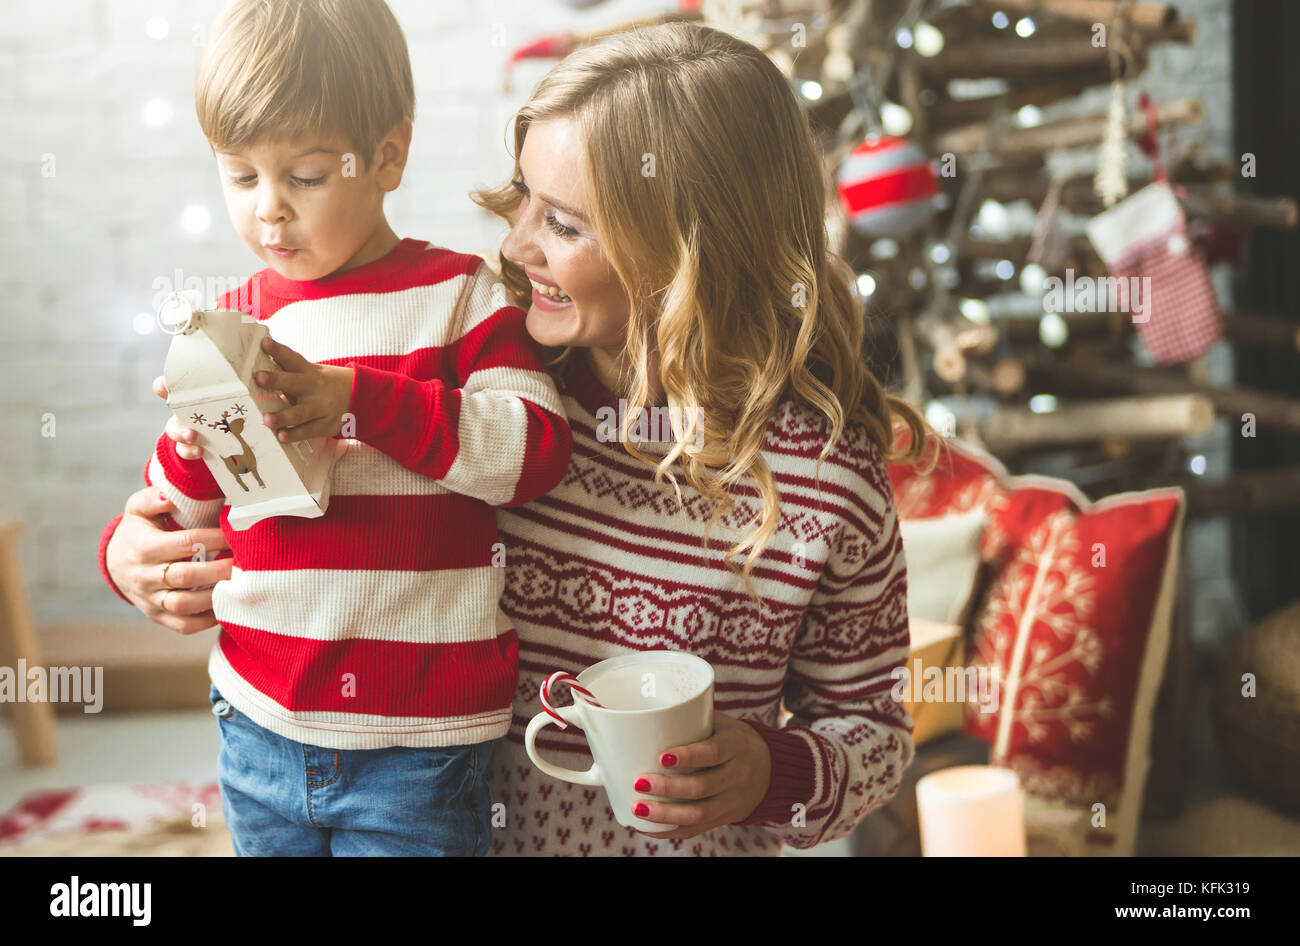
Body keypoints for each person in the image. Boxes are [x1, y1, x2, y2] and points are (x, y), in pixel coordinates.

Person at [102, 21, 938, 856]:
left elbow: (872, 733)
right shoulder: (479, 380)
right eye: (522, 200)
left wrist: (768, 772)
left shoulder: (826, 483)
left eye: (565, 225)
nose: (512, 244)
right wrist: (133, 551)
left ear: (692, 250)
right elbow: (284, 498)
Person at [112, 0, 572, 856]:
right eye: (242, 177)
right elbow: (175, 508)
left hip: (418, 749)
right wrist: (187, 446)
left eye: (306, 176)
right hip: (257, 724)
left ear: (387, 155)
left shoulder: (458, 297)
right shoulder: (237, 318)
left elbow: (534, 449)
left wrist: (360, 399)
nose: (270, 212)